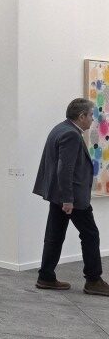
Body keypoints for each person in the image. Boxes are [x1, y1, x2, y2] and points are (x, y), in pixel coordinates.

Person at [33, 97, 109, 295]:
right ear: (81, 116)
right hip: (71, 198)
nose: (92, 119)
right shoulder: (71, 134)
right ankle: (93, 280)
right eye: (90, 115)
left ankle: (46, 277)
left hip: (58, 195)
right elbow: (64, 169)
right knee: (90, 235)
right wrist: (68, 199)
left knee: (54, 235)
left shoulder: (60, 128)